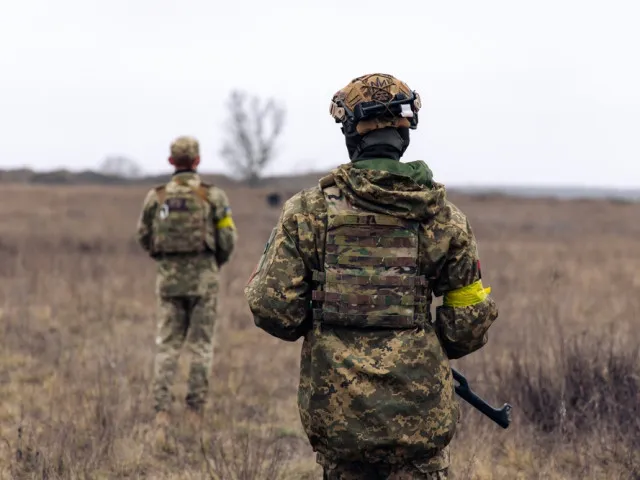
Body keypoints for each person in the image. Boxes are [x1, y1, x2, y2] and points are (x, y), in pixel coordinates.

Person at [244, 73, 499, 479]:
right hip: (420, 423)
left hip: (338, 422)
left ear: (350, 134)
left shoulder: (307, 211)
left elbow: (274, 310)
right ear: (405, 133)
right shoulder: (445, 218)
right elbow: (465, 328)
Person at [136, 135, 237, 441]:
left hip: (168, 281)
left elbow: (144, 235)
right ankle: (195, 411)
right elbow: (228, 238)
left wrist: (164, 260)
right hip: (204, 281)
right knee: (201, 347)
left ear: (171, 162)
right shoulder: (213, 196)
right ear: (197, 161)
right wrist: (215, 262)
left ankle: (161, 413)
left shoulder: (157, 197)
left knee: (167, 346)